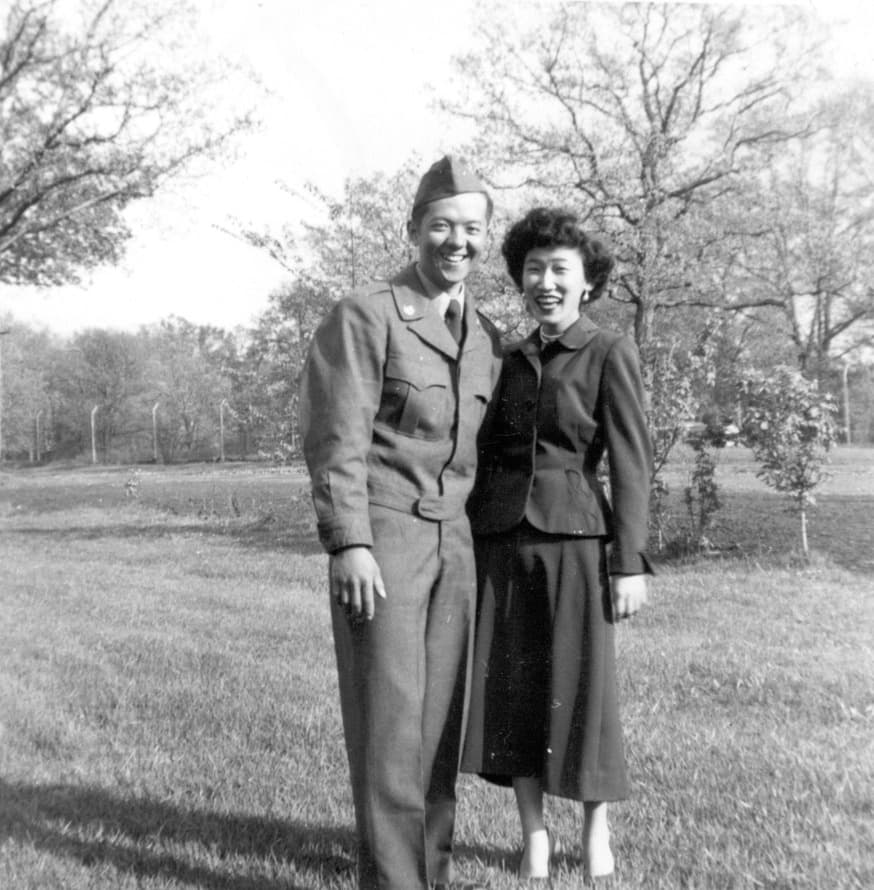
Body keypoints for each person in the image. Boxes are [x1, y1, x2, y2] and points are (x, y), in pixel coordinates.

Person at [299, 155, 502, 890]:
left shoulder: (486, 336)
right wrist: (349, 541)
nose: (458, 242)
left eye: (472, 229)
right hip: (384, 540)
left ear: (487, 237)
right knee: (390, 727)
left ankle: (429, 876)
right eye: (442, 226)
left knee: (439, 728)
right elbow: (336, 438)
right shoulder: (366, 314)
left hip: (455, 547)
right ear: (413, 228)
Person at [461, 207, 652, 882]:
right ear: (521, 279)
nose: (545, 282)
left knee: (584, 690)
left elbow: (631, 463)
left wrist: (628, 563)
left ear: (586, 281)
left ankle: (596, 832)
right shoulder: (505, 360)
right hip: (502, 546)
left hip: (578, 546)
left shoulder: (609, 351)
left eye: (559, 270)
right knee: (515, 692)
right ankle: (534, 837)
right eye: (533, 269)